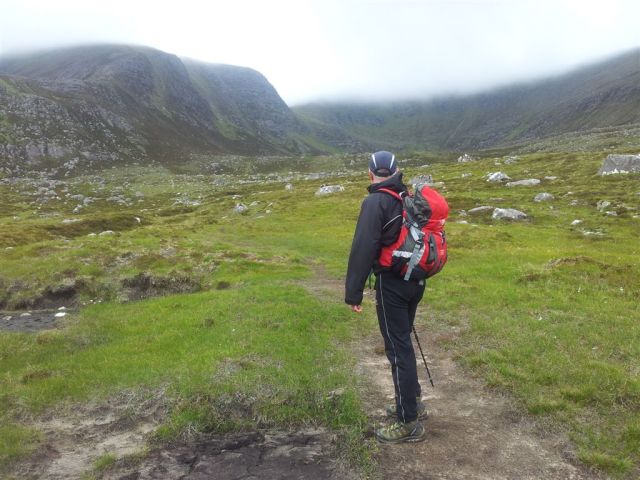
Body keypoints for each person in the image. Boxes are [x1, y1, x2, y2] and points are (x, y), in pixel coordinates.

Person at [345, 150, 427, 443]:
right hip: (415, 280)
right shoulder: (406, 197)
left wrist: (354, 293)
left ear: (370, 174)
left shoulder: (375, 201)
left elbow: (363, 247)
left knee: (397, 348)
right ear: (396, 171)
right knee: (403, 342)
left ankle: (409, 422)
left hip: (391, 283)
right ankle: (412, 401)